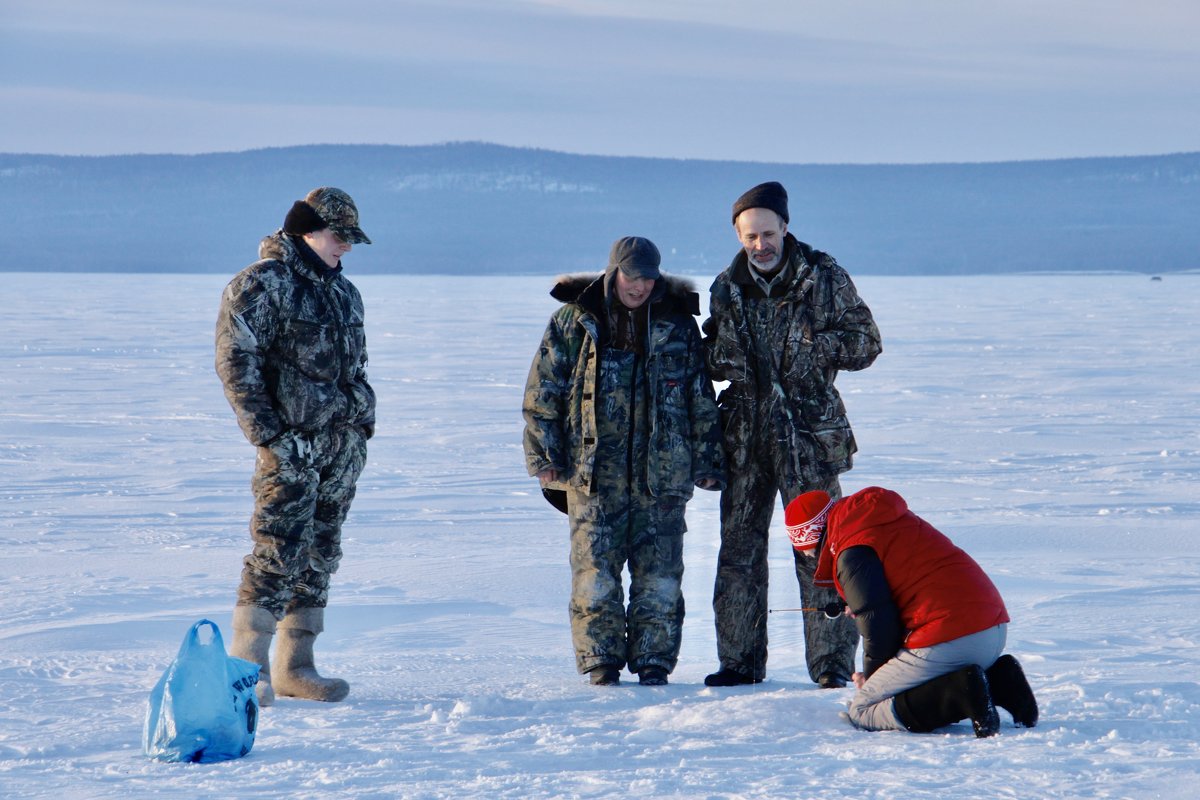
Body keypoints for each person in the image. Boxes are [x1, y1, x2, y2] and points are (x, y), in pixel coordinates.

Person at [702, 181, 882, 688]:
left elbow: (866, 342)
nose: (760, 244)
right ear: (739, 237)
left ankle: (830, 665)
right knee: (738, 552)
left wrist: (813, 347)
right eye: (749, 236)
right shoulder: (725, 287)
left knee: (823, 550)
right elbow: (715, 356)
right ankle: (739, 661)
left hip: (808, 437)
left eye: (767, 232)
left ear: (785, 226)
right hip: (744, 438)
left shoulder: (823, 276)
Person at [523, 236, 725, 686]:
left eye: (649, 278)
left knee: (661, 574)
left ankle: (655, 661)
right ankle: (601, 661)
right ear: (614, 272)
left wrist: (708, 459)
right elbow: (543, 394)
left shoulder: (676, 324)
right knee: (595, 572)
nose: (640, 287)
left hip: (663, 475)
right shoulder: (574, 321)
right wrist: (545, 456)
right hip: (592, 473)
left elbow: (699, 397)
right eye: (632, 277)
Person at [214, 187, 376, 706]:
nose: (345, 248)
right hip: (290, 450)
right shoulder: (262, 286)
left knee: (320, 553)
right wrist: (272, 438)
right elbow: (236, 366)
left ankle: (295, 666)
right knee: (276, 551)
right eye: (338, 236)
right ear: (306, 231)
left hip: (339, 449)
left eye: (352, 239)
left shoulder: (344, 293)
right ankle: (247, 669)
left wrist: (360, 426)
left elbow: (355, 370)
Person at [786, 487, 1039, 737]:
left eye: (806, 551)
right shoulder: (874, 522)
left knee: (862, 710)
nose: (809, 558)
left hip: (953, 636)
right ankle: (1000, 682)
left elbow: (877, 625)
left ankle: (961, 692)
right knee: (890, 688)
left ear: (812, 536)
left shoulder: (851, 551)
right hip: (990, 630)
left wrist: (875, 681)